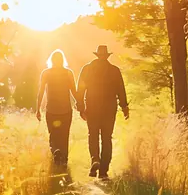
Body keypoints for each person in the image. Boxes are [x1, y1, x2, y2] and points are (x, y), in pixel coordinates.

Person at [77, 44, 129, 179]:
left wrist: (81, 107)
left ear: (97, 55)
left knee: (92, 135)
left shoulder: (87, 69)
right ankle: (104, 171)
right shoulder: (114, 70)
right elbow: (120, 90)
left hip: (92, 107)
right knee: (107, 138)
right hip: (109, 108)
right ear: (106, 56)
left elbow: (80, 90)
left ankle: (95, 159)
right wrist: (124, 107)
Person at [36, 49, 78, 165]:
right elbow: (74, 91)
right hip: (66, 110)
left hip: (51, 110)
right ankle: (64, 161)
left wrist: (38, 109)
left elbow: (40, 92)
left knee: (53, 134)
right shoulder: (68, 73)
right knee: (64, 135)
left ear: (51, 60)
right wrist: (80, 104)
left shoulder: (46, 73)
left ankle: (55, 151)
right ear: (62, 60)